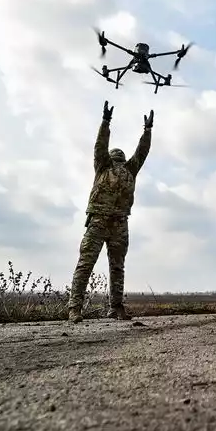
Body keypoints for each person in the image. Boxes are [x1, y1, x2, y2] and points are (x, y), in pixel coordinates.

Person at [67, 101, 153, 323]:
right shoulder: (106, 166)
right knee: (102, 266)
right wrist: (108, 123)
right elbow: (106, 147)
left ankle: (106, 308)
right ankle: (79, 308)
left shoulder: (124, 169)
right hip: (104, 221)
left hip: (113, 222)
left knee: (105, 266)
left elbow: (137, 152)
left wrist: (145, 132)